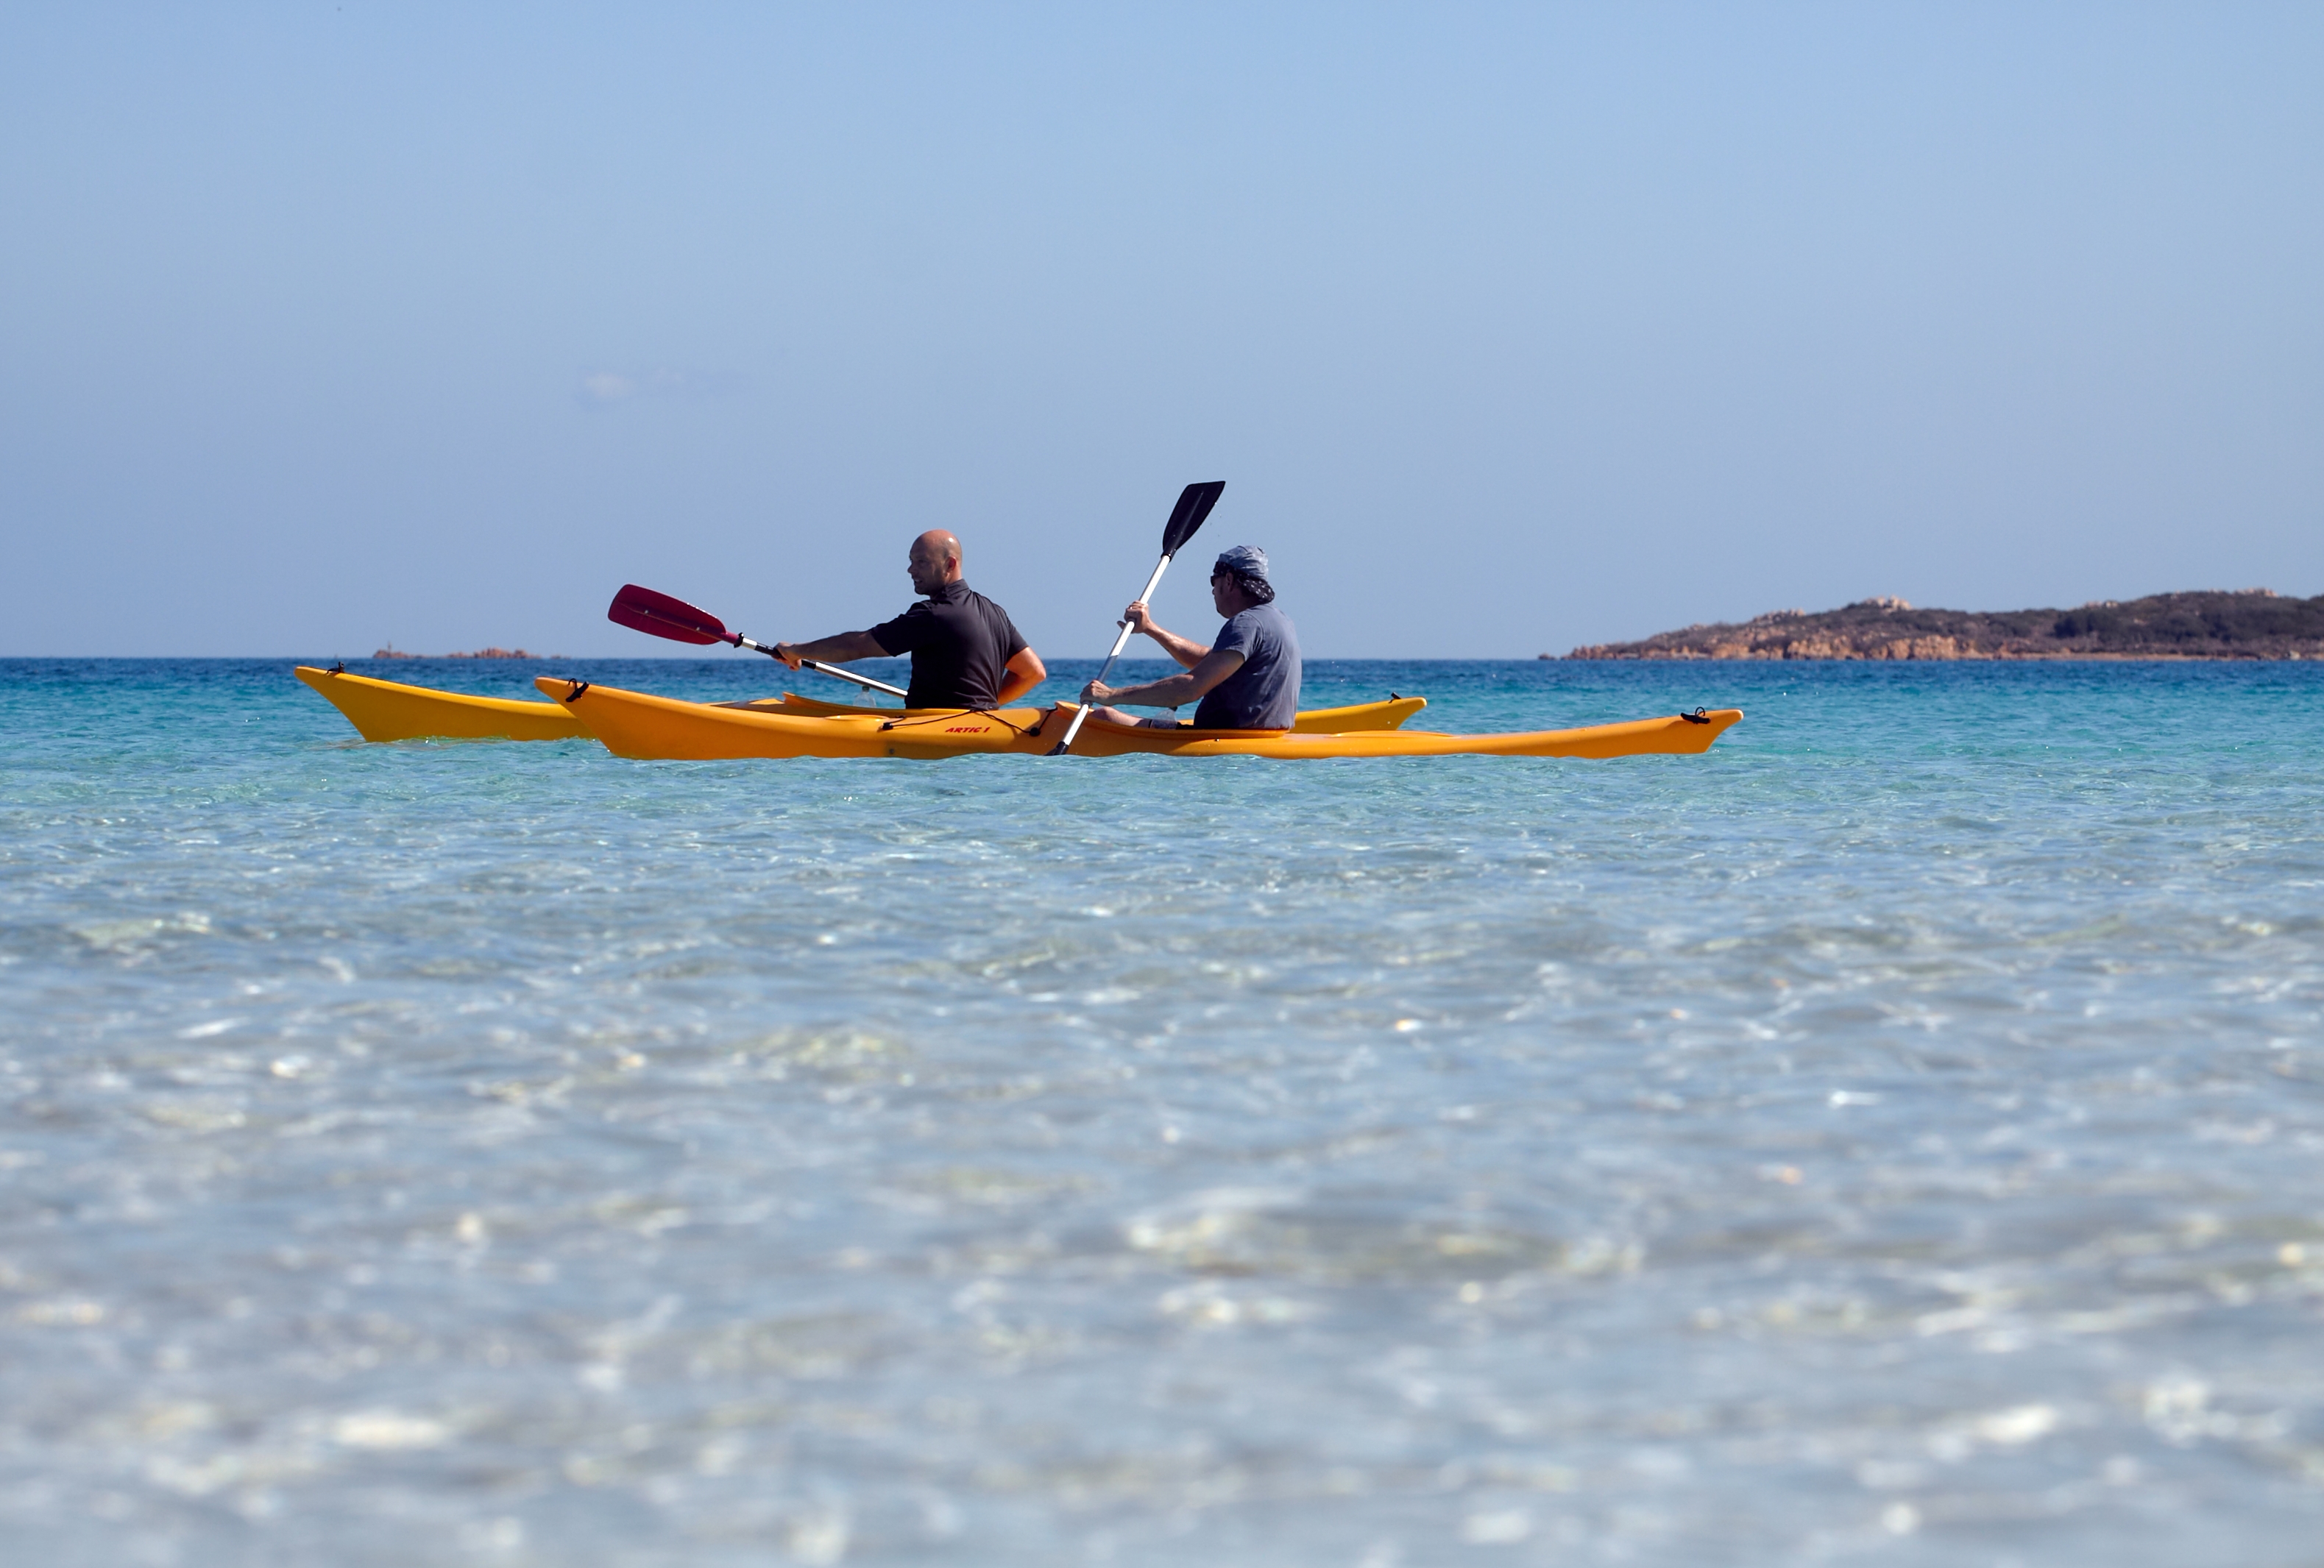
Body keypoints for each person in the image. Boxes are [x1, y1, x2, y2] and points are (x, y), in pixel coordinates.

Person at [775, 531, 1046, 709]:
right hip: (980, 731)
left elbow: (858, 645)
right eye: (911, 561)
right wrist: (986, 707)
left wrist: (796, 650)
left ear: (950, 565)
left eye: (921, 562)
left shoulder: (934, 615)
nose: (910, 569)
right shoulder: (994, 612)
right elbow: (1033, 672)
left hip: (936, 740)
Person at [1079, 545, 1301, 730]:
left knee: (1104, 717)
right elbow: (1211, 661)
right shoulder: (1280, 621)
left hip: (1223, 742)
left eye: (1214, 581)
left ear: (1229, 581)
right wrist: (1150, 629)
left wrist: (1112, 694)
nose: (1213, 591)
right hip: (1266, 737)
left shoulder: (1246, 624)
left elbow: (1190, 688)